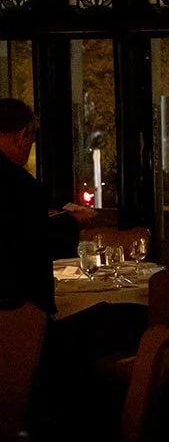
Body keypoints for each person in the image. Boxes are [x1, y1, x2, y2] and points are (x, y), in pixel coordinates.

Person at [0, 98, 92, 314]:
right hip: (18, 313)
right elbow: (38, 244)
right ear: (22, 135)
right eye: (31, 141)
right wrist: (73, 222)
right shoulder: (21, 184)